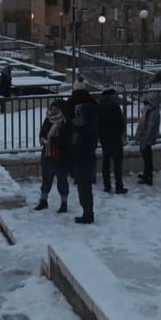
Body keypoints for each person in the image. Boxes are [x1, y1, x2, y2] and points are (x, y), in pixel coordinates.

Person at [35, 99, 71, 213]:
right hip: (48, 155)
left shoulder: (66, 122)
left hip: (61, 156)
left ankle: (64, 203)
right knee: (46, 179)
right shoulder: (47, 120)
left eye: (56, 109)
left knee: (62, 180)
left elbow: (68, 139)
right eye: (51, 109)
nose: (53, 111)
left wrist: (55, 141)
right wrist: (43, 139)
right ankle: (43, 200)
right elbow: (42, 133)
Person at [69, 92, 100, 224]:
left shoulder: (88, 130)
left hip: (84, 164)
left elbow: (82, 149)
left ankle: (88, 214)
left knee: (85, 190)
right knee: (83, 190)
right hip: (83, 164)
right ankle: (87, 212)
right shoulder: (84, 128)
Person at [96, 88, 127, 194]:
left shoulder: (99, 106)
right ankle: (119, 186)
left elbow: (97, 122)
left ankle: (107, 186)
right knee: (117, 164)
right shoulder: (115, 106)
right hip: (115, 138)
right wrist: (120, 133)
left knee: (106, 162)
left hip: (104, 138)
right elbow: (120, 121)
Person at [135, 91, 161, 185]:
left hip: (147, 138)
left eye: (146, 101)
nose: (144, 103)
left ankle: (148, 177)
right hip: (146, 138)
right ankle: (146, 174)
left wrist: (144, 141)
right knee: (146, 157)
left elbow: (149, 128)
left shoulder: (152, 113)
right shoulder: (149, 111)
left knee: (147, 158)